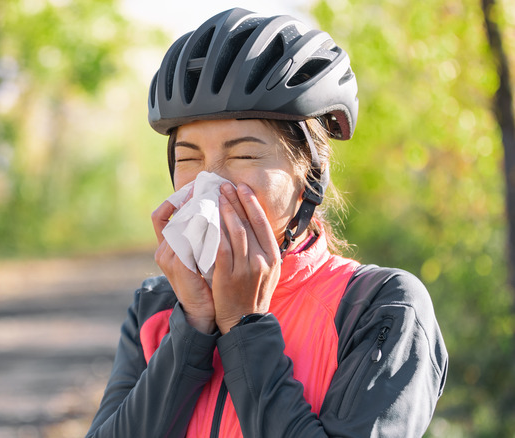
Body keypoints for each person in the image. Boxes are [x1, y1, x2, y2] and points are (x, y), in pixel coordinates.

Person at [87, 7, 447, 438]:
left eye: (243, 155)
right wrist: (191, 327)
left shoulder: (380, 309)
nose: (210, 182)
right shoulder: (156, 308)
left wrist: (243, 326)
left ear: (309, 174)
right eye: (189, 158)